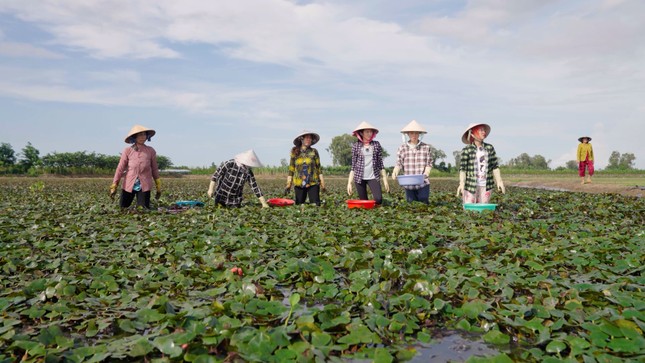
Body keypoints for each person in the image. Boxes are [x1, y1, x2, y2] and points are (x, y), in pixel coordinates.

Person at [110, 124, 161, 209]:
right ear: (134, 137)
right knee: (123, 208)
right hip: (129, 184)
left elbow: (155, 169)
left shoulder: (151, 150)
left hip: (144, 185)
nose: (143, 137)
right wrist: (114, 185)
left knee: (143, 209)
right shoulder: (127, 151)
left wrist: (158, 185)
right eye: (140, 135)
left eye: (144, 134)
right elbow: (120, 169)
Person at [456, 123, 505, 204]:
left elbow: (495, 167)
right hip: (470, 185)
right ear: (472, 133)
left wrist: (499, 181)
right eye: (481, 130)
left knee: (483, 211)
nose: (484, 132)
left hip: (486, 185)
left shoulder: (489, 148)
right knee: (469, 210)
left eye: (484, 130)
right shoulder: (467, 150)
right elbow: (463, 169)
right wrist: (461, 184)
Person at [347, 121, 389, 204]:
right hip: (359, 178)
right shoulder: (356, 146)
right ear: (361, 133)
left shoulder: (376, 145)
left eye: (371, 132)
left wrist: (385, 179)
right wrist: (349, 183)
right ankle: (368, 215)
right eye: (367, 132)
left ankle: (376, 210)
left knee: (378, 199)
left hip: (373, 176)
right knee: (364, 202)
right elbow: (353, 166)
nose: (369, 134)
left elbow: (380, 163)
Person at [391, 120, 433, 204]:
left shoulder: (426, 147)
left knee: (423, 199)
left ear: (419, 134)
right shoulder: (402, 148)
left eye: (416, 133)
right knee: (411, 203)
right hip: (408, 182)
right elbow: (398, 163)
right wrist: (395, 171)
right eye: (412, 133)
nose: (414, 135)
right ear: (408, 134)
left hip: (422, 181)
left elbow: (429, 163)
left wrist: (427, 172)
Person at [285, 130, 325, 206]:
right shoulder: (295, 152)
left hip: (313, 182)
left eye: (310, 138)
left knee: (315, 205)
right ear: (301, 139)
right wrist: (288, 184)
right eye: (306, 138)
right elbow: (291, 169)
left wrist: (322, 183)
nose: (308, 139)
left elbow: (319, 168)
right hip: (299, 183)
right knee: (299, 205)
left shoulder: (314, 151)